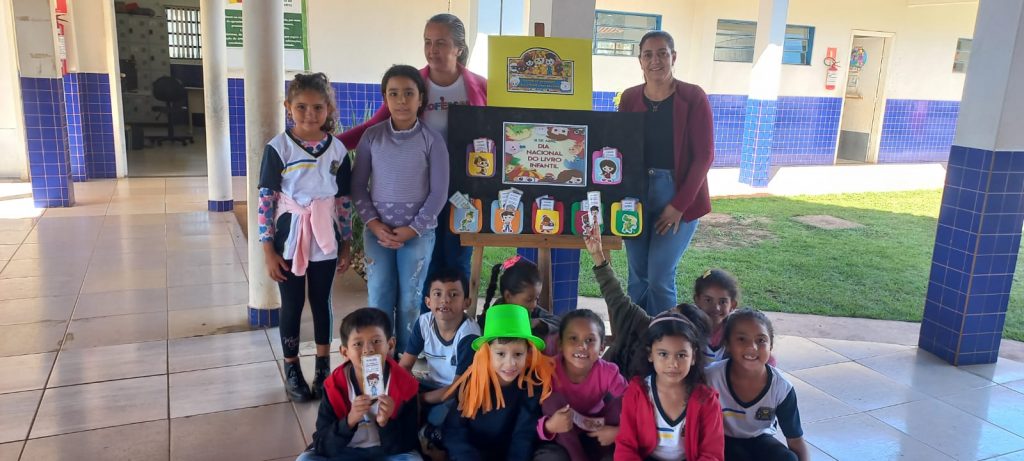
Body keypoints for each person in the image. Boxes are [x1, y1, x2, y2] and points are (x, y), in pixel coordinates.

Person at [338, 13, 487, 299]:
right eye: (427, 42)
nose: (432, 49)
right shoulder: (413, 87)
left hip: (465, 189)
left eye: (441, 42)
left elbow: (498, 131)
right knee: (426, 261)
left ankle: (454, 334)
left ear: (458, 47)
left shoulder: (480, 86)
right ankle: (422, 331)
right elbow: (372, 128)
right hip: (422, 191)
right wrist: (331, 144)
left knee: (457, 257)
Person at [258, 72, 352, 402]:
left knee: (321, 301)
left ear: (328, 108)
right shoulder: (278, 148)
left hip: (325, 237)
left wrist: (346, 243)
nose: (309, 114)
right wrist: (268, 249)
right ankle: (292, 367)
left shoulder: (338, 150)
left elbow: (343, 201)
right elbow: (266, 199)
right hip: (289, 237)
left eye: (317, 107)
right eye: (301, 107)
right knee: (293, 303)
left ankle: (323, 366)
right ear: (288, 107)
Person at [351, 65, 449, 354]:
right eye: (394, 94)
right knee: (379, 294)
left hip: (417, 234)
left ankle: (405, 359)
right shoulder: (372, 137)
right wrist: (373, 224)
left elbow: (439, 192)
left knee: (411, 299)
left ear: (421, 98)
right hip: (377, 233)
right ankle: (380, 359)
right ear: (385, 98)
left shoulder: (432, 140)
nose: (402, 100)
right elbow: (358, 187)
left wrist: (411, 230)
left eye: (409, 93)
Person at [618, 30, 714, 316]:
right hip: (636, 194)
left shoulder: (693, 97)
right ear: (640, 61)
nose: (655, 60)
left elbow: (704, 156)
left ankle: (665, 344)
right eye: (648, 54)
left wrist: (678, 206)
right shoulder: (630, 98)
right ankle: (636, 342)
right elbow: (621, 148)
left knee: (659, 277)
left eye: (662, 53)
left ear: (674, 57)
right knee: (637, 278)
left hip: (677, 191)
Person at [583, 226, 710, 376]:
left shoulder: (676, 372)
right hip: (604, 389)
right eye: (669, 313)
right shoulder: (640, 323)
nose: (666, 319)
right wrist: (598, 255)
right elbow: (615, 295)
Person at [298, 308, 421, 461]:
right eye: (358, 344)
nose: (368, 350)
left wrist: (386, 423)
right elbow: (323, 444)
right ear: (344, 352)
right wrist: (349, 421)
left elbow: (407, 443)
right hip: (345, 452)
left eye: (376, 341)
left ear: (390, 345)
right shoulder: (334, 386)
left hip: (387, 454)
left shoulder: (405, 385)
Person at [442, 304, 555, 461]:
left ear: (528, 352)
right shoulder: (472, 380)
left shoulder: (531, 385)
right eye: (501, 353)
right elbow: (455, 429)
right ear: (487, 352)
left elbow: (523, 434)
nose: (510, 363)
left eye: (518, 354)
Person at [614, 313, 724, 461]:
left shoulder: (706, 400)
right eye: (663, 354)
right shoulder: (637, 393)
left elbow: (712, 454)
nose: (673, 364)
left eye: (681, 355)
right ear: (650, 354)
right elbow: (626, 445)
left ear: (694, 357)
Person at [706, 309, 808, 461]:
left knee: (788, 458)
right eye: (742, 339)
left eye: (761, 340)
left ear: (770, 345)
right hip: (721, 440)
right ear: (727, 344)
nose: (752, 347)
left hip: (760, 440)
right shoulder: (711, 377)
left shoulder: (781, 388)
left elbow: (795, 439)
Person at [397, 268, 480, 445]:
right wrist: (405, 394)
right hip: (430, 384)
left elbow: (457, 388)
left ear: (467, 302)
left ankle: (430, 432)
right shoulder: (424, 322)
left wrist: (419, 400)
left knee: (445, 415)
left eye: (454, 294)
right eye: (437, 294)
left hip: (458, 392)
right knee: (397, 401)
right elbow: (404, 367)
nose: (445, 300)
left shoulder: (468, 335)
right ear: (427, 301)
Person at [535, 310, 628, 461]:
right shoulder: (548, 370)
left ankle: (602, 454)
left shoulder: (608, 372)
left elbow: (634, 402)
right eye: (573, 338)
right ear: (560, 344)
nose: (582, 346)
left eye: (590, 340)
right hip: (561, 434)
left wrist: (620, 431)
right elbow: (532, 421)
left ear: (602, 348)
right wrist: (549, 426)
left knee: (624, 401)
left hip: (596, 429)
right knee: (551, 400)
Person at [481, 255, 561, 356]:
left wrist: (540, 323)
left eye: (536, 298)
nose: (534, 304)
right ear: (508, 296)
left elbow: (561, 324)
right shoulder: (496, 314)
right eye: (529, 299)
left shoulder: (534, 311)